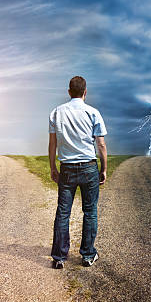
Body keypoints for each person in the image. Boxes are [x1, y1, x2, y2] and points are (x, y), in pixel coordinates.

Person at [48, 75, 108, 269]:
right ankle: (88, 255)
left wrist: (52, 167)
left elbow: (52, 144)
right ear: (85, 92)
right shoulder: (93, 112)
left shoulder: (56, 112)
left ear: (68, 92)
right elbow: (101, 144)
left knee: (63, 213)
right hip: (89, 167)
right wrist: (104, 169)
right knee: (89, 212)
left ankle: (59, 257)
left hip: (66, 169)